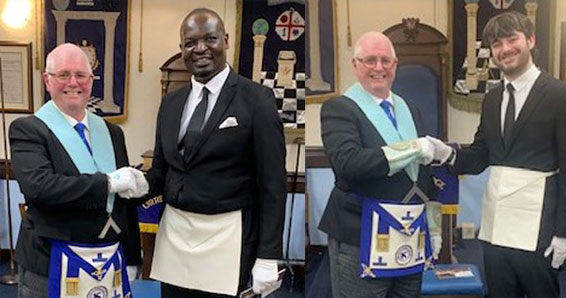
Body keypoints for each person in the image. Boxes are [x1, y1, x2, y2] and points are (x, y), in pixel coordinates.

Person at [426, 11, 566, 297]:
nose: (505, 50)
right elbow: (479, 157)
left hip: (538, 227)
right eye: (497, 44)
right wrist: (447, 154)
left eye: (512, 40)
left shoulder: (562, 96)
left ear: (530, 41)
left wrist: (565, 232)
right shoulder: (492, 99)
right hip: (497, 223)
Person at [144, 8, 286, 297]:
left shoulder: (256, 100)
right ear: (181, 48)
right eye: (190, 43)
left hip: (228, 238)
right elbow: (161, 170)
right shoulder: (171, 104)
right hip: (175, 237)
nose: (200, 49)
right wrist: (138, 182)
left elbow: (273, 184)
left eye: (210, 39)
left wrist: (268, 255)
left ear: (226, 39)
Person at [10, 43, 148, 298]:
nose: (73, 83)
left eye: (81, 75)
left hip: (108, 261)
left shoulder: (111, 132)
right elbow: (39, 188)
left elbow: (122, 204)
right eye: (63, 75)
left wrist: (131, 255)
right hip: (49, 262)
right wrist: (107, 182)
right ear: (47, 81)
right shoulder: (28, 129)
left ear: (91, 81)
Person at [319, 31, 442, 298]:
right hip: (360, 235)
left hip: (410, 235)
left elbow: (422, 174)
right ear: (355, 65)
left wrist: (434, 226)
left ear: (395, 65)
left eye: (386, 60)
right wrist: (412, 147)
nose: (379, 67)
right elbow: (349, 163)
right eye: (370, 60)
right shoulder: (340, 108)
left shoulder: (410, 109)